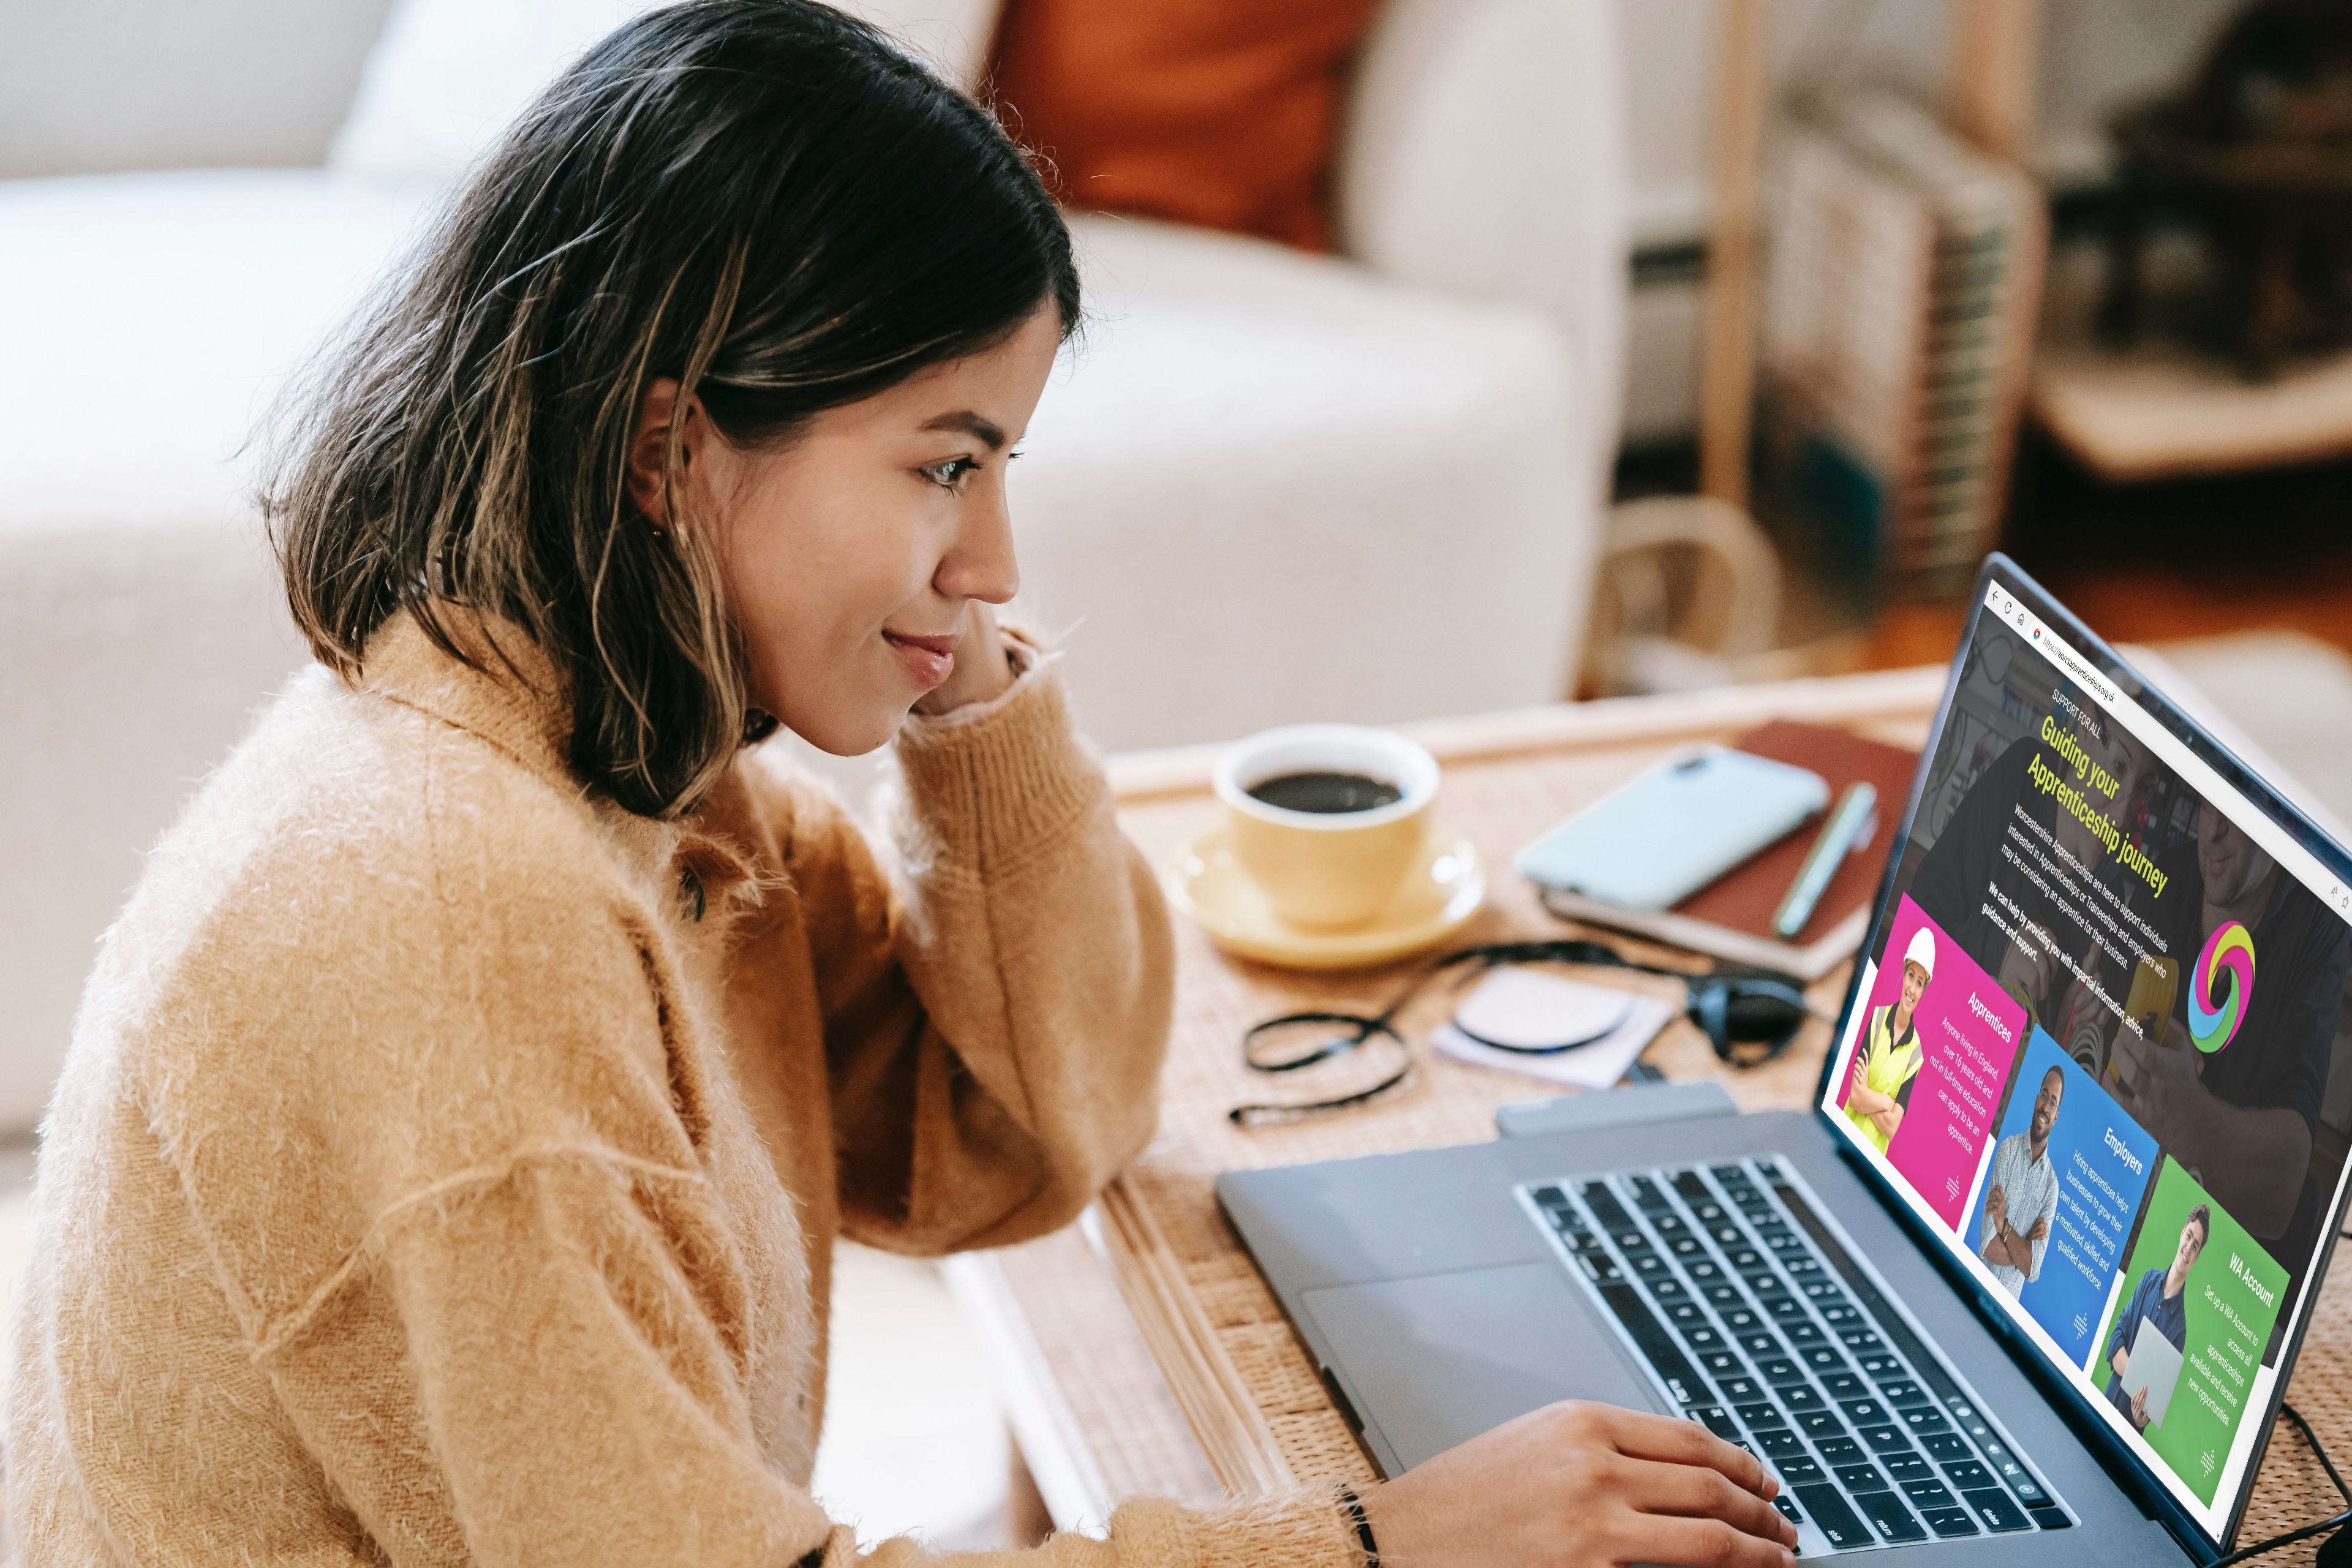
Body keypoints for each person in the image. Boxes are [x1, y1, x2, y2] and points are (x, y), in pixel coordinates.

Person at [2, 7, 1800, 1568]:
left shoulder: (637, 779)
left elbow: (1026, 1132)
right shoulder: (440, 922)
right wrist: (1374, 1542)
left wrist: (967, 690)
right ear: (663, 445)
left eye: (1000, 463)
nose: (999, 554)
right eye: (946, 461)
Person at [2109, 796, 2350, 1322]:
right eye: (2206, 804)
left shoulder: (2319, 929)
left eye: (2238, 812)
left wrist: (2185, 1119)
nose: (2213, 830)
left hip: (2211, 1294)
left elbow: (2285, 1182)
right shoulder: (2167, 875)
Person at [2105, 1205, 2209, 1431]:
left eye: (2196, 1246)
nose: (2189, 1248)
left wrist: (2143, 1417)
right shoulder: (2148, 1280)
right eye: (2189, 1237)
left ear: (2198, 1257)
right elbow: (2115, 1341)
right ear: (2182, 1233)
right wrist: (2138, 1381)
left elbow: (2152, 1406)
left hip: (2128, 1434)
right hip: (2103, 1408)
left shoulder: (2180, 1330)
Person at [1845, 925, 1936, 1153]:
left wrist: (1868, 1095)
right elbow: (1855, 1096)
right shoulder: (1877, 1018)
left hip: (1871, 1160)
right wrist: (1887, 1102)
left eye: (1920, 983)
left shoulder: (1916, 1054)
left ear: (1924, 990)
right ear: (1904, 974)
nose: (1912, 989)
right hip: (1844, 1137)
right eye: (1911, 976)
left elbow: (1892, 1128)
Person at [1979, 1066, 2065, 1296]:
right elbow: (1987, 1245)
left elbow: (2033, 1269)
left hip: (2006, 1314)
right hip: (1975, 1287)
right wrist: (2024, 1246)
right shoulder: (2008, 1150)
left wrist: (2004, 1227)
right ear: (2037, 1098)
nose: (2046, 1107)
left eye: (2053, 1103)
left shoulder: (2051, 1187)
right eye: (2044, 1096)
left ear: (2056, 1116)